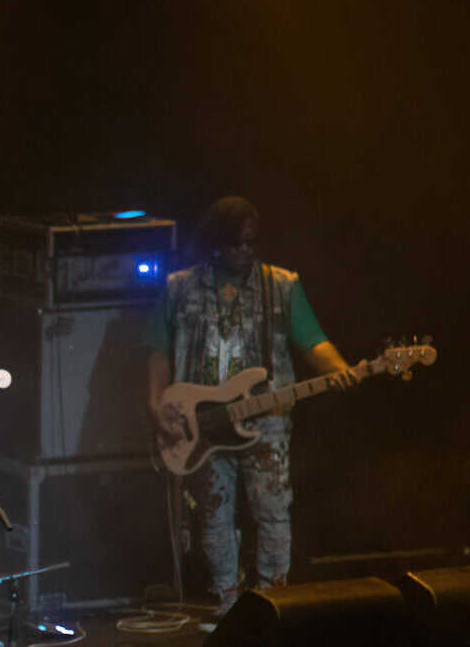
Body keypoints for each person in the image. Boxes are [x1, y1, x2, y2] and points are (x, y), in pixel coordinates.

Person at [145, 197, 361, 616]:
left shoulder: (280, 285)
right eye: (236, 244)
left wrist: (339, 369)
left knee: (273, 510)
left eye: (252, 243)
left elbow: (312, 340)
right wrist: (156, 405)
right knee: (214, 514)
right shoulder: (179, 287)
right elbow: (157, 350)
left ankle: (271, 606)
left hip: (267, 421)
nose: (246, 251)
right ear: (216, 245)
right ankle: (228, 603)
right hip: (200, 422)